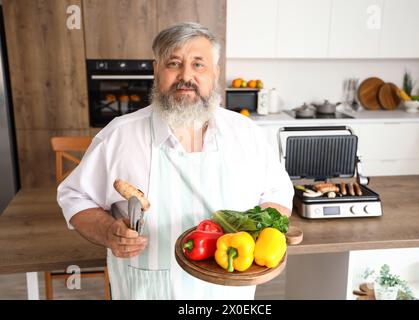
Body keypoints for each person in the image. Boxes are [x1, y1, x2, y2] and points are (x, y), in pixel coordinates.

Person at [57, 22, 294, 300]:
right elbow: (75, 196)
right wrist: (109, 231)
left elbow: (278, 193)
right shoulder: (119, 135)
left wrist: (255, 233)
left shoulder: (247, 134)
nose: (186, 76)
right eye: (174, 63)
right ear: (157, 69)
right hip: (147, 291)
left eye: (198, 64)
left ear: (215, 72)